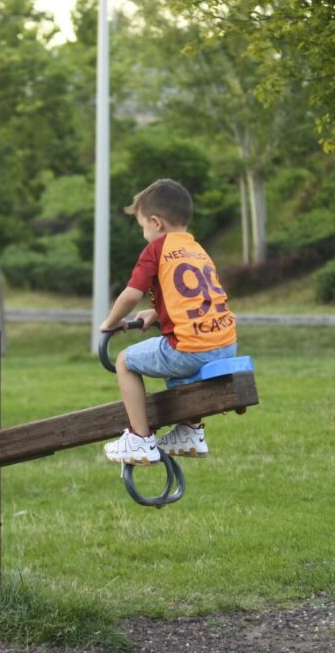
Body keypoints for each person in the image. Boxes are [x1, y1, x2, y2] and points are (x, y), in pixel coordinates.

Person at [98, 179, 238, 465]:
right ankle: (189, 430)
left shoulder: (156, 249)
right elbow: (194, 302)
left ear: (155, 222)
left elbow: (129, 295)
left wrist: (110, 322)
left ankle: (139, 438)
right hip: (225, 345)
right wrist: (157, 313)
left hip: (190, 349)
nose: (144, 235)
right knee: (172, 363)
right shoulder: (197, 249)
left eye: (143, 228)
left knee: (125, 361)